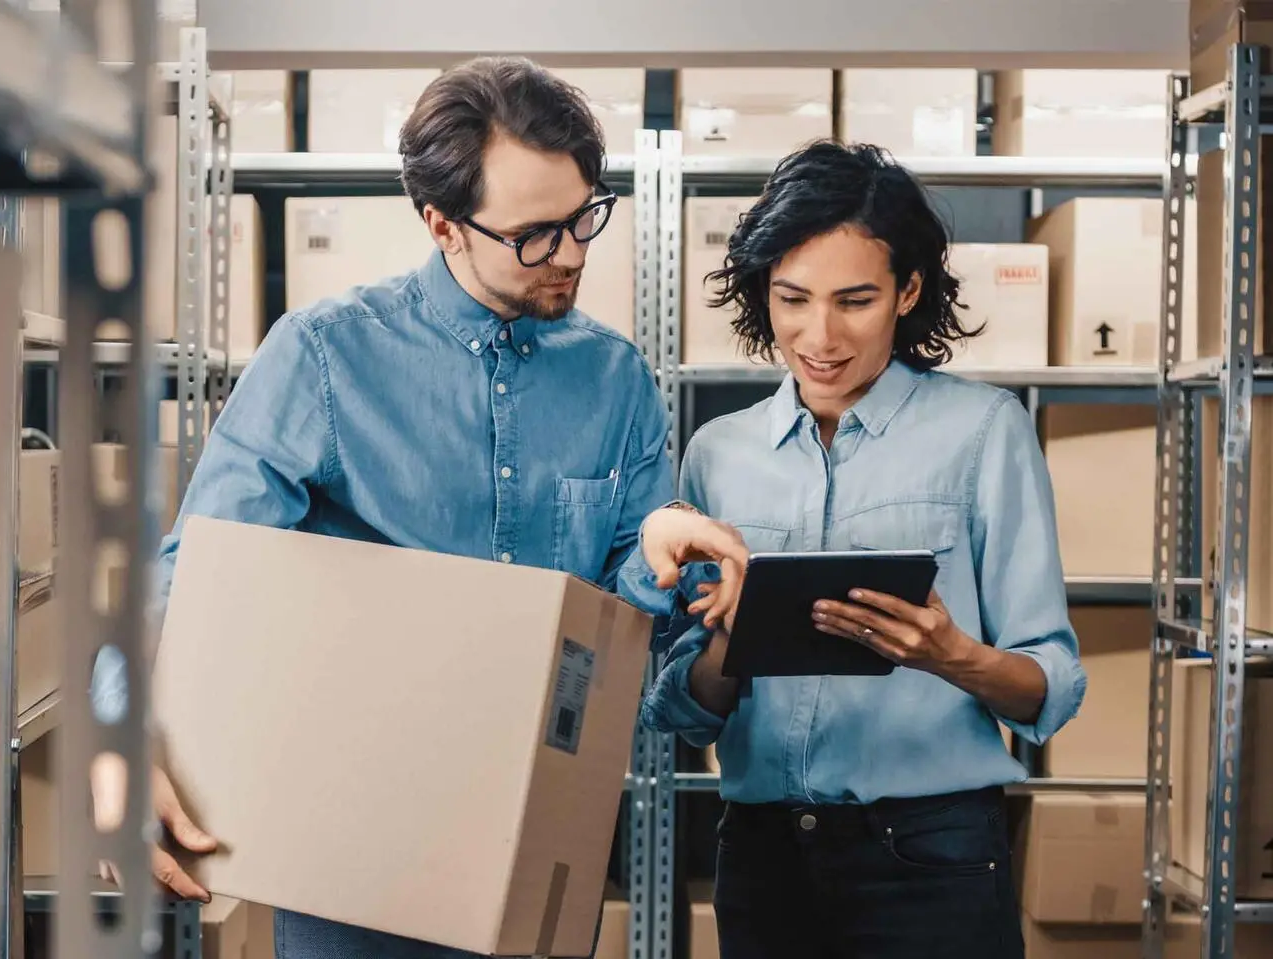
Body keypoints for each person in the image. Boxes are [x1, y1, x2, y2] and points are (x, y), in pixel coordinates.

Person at [133, 56, 749, 957]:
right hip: (354, 845)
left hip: (542, 830)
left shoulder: (616, 379)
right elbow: (194, 574)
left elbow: (623, 633)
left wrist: (652, 551)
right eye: (537, 234)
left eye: (585, 216)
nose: (573, 251)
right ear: (442, 224)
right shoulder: (324, 357)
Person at [640, 141, 1087, 959]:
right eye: (792, 299)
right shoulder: (717, 452)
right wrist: (731, 642)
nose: (820, 335)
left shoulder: (985, 433)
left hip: (931, 854)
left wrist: (952, 656)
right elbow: (679, 709)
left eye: (855, 300)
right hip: (764, 855)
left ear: (907, 290)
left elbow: (1049, 688)